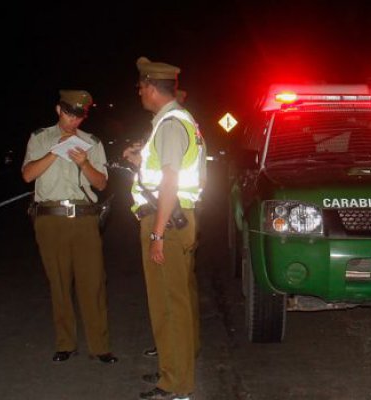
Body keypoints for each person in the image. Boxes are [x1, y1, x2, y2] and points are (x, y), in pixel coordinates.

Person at [124, 57, 204, 400]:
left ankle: (177, 384)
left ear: (153, 89)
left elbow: (170, 180)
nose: (139, 92)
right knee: (177, 301)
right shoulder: (175, 121)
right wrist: (142, 160)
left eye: (141, 86)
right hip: (172, 219)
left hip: (166, 222)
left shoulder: (171, 123)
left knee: (169, 306)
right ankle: (174, 370)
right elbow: (166, 170)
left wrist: (156, 233)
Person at [21, 89, 118, 365]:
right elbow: (28, 175)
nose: (72, 121)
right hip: (49, 218)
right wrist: (55, 151)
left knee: (93, 282)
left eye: (78, 116)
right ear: (58, 110)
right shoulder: (40, 138)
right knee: (59, 283)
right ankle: (65, 343)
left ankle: (100, 346)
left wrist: (83, 162)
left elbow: (100, 183)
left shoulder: (92, 142)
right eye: (68, 114)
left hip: (85, 219)